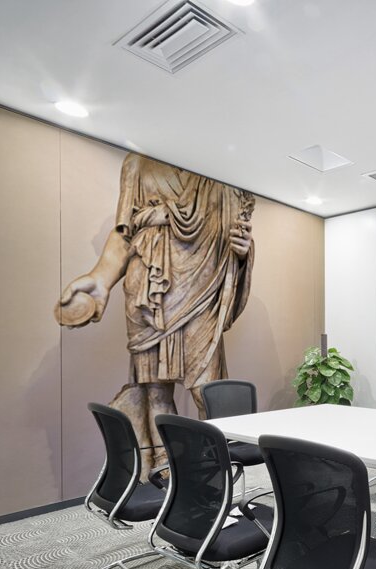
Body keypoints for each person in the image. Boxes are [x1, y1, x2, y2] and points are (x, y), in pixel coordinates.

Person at [56, 153, 255, 474]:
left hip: (202, 285)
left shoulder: (219, 169)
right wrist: (101, 279)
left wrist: (244, 248)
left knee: (209, 389)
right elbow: (125, 232)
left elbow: (235, 231)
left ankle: (219, 474)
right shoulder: (138, 162)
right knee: (154, 389)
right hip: (147, 283)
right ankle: (166, 472)